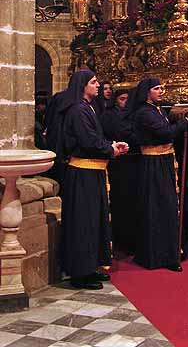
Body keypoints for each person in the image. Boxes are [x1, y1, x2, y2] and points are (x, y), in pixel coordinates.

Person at [60, 70, 129, 290]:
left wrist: (112, 145)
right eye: (93, 82)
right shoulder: (78, 110)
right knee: (84, 223)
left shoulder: (87, 107)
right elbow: (88, 141)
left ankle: (91, 267)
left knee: (95, 221)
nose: (98, 85)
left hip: (93, 172)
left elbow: (95, 138)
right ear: (82, 86)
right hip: (83, 174)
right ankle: (80, 273)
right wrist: (111, 149)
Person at [131, 78, 188, 271]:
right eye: (157, 89)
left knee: (168, 206)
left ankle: (170, 252)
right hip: (153, 163)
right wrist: (185, 123)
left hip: (164, 161)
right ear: (147, 92)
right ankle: (158, 255)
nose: (161, 91)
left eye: (162, 88)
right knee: (157, 207)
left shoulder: (156, 109)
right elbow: (165, 133)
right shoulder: (144, 112)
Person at [100, 89, 139, 254]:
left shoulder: (132, 114)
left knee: (132, 203)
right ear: (115, 100)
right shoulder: (108, 115)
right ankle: (120, 240)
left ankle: (131, 240)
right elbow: (118, 132)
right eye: (122, 99)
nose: (125, 102)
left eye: (127, 100)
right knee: (120, 202)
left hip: (133, 161)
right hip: (118, 164)